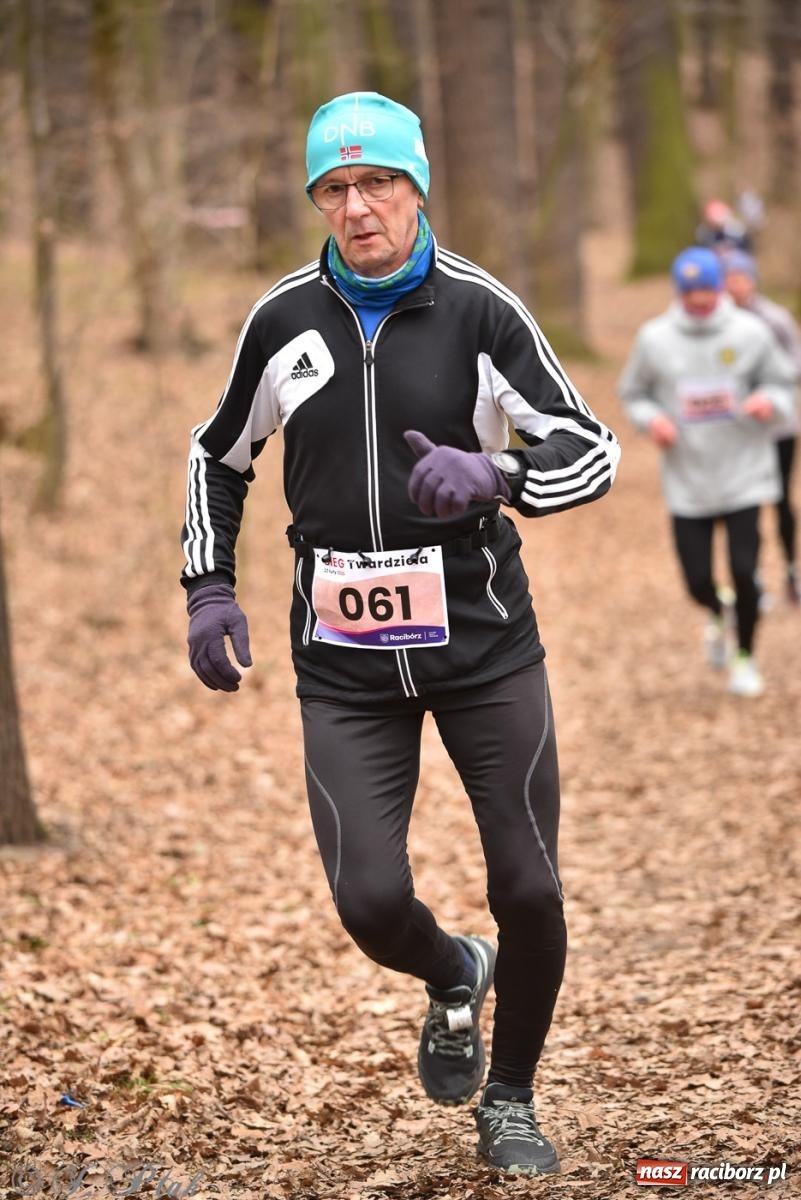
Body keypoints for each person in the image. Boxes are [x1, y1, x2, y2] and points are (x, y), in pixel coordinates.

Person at [180, 91, 620, 1176]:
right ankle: (452, 970)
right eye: (334, 188)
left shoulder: (481, 311)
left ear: (417, 188)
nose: (357, 207)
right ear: (317, 201)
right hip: (345, 668)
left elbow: (592, 448)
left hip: (483, 648)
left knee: (530, 886)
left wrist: (499, 472)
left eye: (377, 183)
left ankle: (509, 1098)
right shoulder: (283, 321)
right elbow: (216, 456)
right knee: (370, 901)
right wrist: (207, 585)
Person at [618, 246, 796, 697]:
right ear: (679, 292)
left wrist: (768, 402)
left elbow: (783, 385)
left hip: (744, 472)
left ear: (720, 288)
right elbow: (633, 392)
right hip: (688, 477)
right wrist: (652, 419)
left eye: (707, 293)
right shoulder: (655, 338)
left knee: (744, 570)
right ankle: (719, 611)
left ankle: (745, 658)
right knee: (697, 581)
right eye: (690, 294)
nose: (700, 302)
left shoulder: (751, 332)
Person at [722, 249, 801, 605]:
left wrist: (765, 387)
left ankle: (791, 569)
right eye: (729, 279)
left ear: (753, 281)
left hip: (779, 429)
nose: (735, 285)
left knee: (781, 500)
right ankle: (751, 580)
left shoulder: (776, 319)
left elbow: (796, 362)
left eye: (741, 278)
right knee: (744, 506)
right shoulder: (720, 323)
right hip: (738, 432)